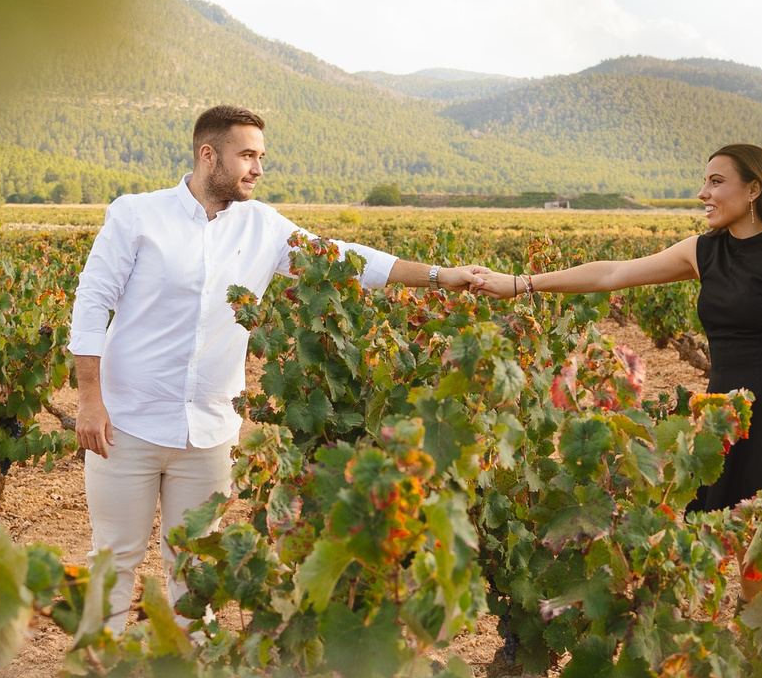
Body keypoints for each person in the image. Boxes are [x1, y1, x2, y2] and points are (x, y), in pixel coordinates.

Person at [67, 103, 476, 623]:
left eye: (261, 156)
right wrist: (89, 400)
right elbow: (91, 303)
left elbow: (346, 259)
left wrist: (442, 275)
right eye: (247, 156)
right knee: (113, 562)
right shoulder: (136, 215)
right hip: (126, 424)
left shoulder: (264, 226)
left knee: (196, 571)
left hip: (210, 432)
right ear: (208, 155)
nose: (258, 169)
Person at [465, 143, 762, 526]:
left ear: (754, 189)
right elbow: (613, 274)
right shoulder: (705, 251)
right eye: (704, 181)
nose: (702, 193)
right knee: (747, 560)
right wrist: (522, 283)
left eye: (716, 181)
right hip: (727, 419)